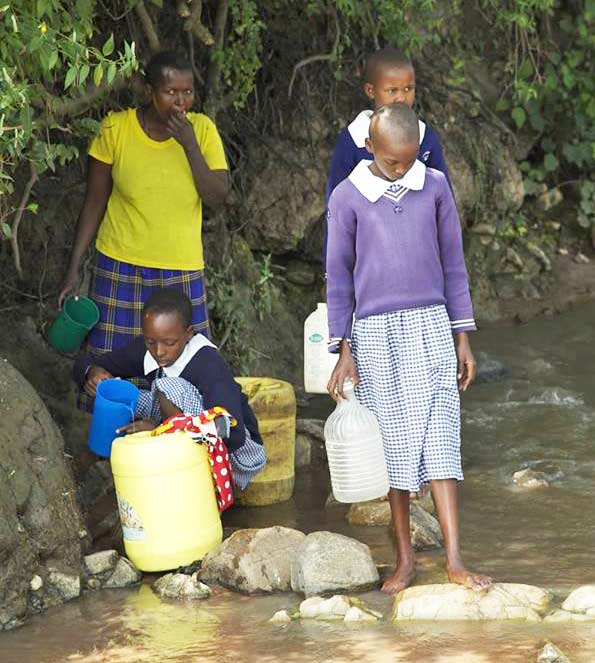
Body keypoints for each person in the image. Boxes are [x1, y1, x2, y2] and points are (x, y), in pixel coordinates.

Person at [325, 102, 491, 594]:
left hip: (433, 325)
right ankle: (404, 562)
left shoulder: (435, 186)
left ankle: (455, 561)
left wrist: (463, 337)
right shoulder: (348, 197)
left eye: (412, 158)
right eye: (394, 160)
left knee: (442, 442)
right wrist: (344, 348)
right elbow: (339, 278)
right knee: (394, 454)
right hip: (376, 335)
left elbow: (454, 264)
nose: (403, 169)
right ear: (371, 147)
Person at [60, 50, 230, 363]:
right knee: (113, 362)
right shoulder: (116, 129)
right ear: (150, 93)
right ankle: (114, 414)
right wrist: (73, 269)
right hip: (119, 264)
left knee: (184, 366)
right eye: (170, 92)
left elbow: (218, 196)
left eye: (188, 92)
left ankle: (174, 416)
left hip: (181, 266)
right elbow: (95, 202)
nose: (181, 102)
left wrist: (190, 146)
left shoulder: (202, 130)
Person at [73, 289, 266, 490]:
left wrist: (160, 432)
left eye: (169, 343)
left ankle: (188, 484)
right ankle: (101, 459)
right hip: (186, 432)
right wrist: (92, 373)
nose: (158, 351)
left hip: (234, 454)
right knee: (120, 392)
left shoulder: (209, 365)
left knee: (167, 387)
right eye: (150, 341)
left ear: (188, 333)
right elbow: (89, 362)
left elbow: (230, 432)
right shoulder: (149, 348)